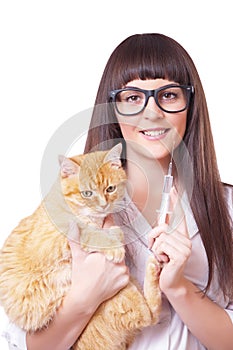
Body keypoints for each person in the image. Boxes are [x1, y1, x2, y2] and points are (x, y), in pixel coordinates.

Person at [3, 33, 233, 350]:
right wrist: (85, 296)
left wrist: (179, 289)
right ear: (112, 108)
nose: (152, 113)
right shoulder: (72, 207)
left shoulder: (227, 208)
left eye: (168, 95)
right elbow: (23, 342)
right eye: (133, 98)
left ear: (190, 104)